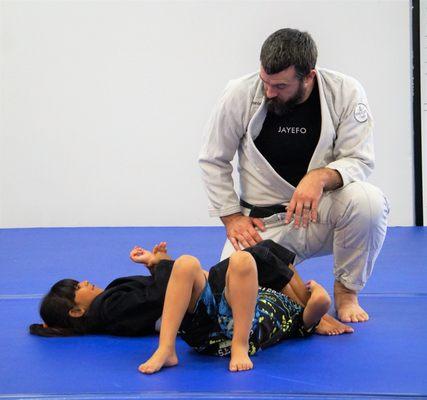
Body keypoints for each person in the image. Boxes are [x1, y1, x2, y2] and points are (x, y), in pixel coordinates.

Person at [198, 28, 390, 324]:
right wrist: (232, 217)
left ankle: (346, 292)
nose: (269, 92)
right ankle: (302, 302)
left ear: (308, 76)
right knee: (229, 299)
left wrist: (321, 177)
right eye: (265, 82)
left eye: (280, 86)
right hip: (263, 224)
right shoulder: (239, 93)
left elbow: (360, 159)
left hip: (320, 213)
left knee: (368, 202)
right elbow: (213, 159)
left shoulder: (345, 92)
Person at [30, 240, 349, 338]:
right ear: (76, 310)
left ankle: (309, 311)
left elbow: (156, 290)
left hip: (197, 292)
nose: (84, 282)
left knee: (267, 251)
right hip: (199, 306)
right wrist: (160, 265)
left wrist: (156, 264)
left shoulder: (108, 301)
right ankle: (312, 320)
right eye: (76, 288)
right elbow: (158, 297)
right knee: (260, 257)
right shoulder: (109, 309)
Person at [139, 246, 331, 374]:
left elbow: (321, 302)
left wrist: (316, 290)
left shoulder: (297, 316)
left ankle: (240, 346)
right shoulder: (256, 290)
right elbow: (211, 281)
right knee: (185, 263)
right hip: (205, 326)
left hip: (239, 333)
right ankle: (166, 348)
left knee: (242, 259)